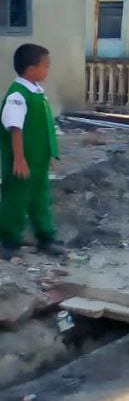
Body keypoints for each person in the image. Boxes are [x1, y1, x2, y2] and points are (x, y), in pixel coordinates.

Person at [0, 44, 60, 260]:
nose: (48, 70)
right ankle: (9, 241)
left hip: (38, 161)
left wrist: (50, 154)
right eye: (45, 66)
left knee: (40, 199)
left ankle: (45, 237)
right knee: (16, 199)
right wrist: (19, 158)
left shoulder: (37, 92)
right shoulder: (18, 95)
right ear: (30, 69)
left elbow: (44, 128)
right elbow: (15, 128)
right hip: (22, 161)